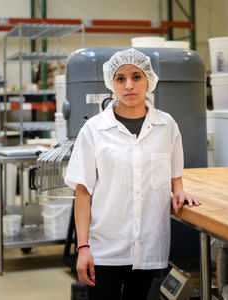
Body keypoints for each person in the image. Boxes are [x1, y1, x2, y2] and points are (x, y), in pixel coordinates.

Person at [64, 48, 201, 300]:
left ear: (148, 79)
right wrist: (82, 247)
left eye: (136, 77)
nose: (129, 85)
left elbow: (173, 171)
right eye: (120, 78)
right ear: (111, 83)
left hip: (149, 246)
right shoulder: (94, 130)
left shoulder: (166, 125)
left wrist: (179, 190)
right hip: (105, 248)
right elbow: (82, 192)